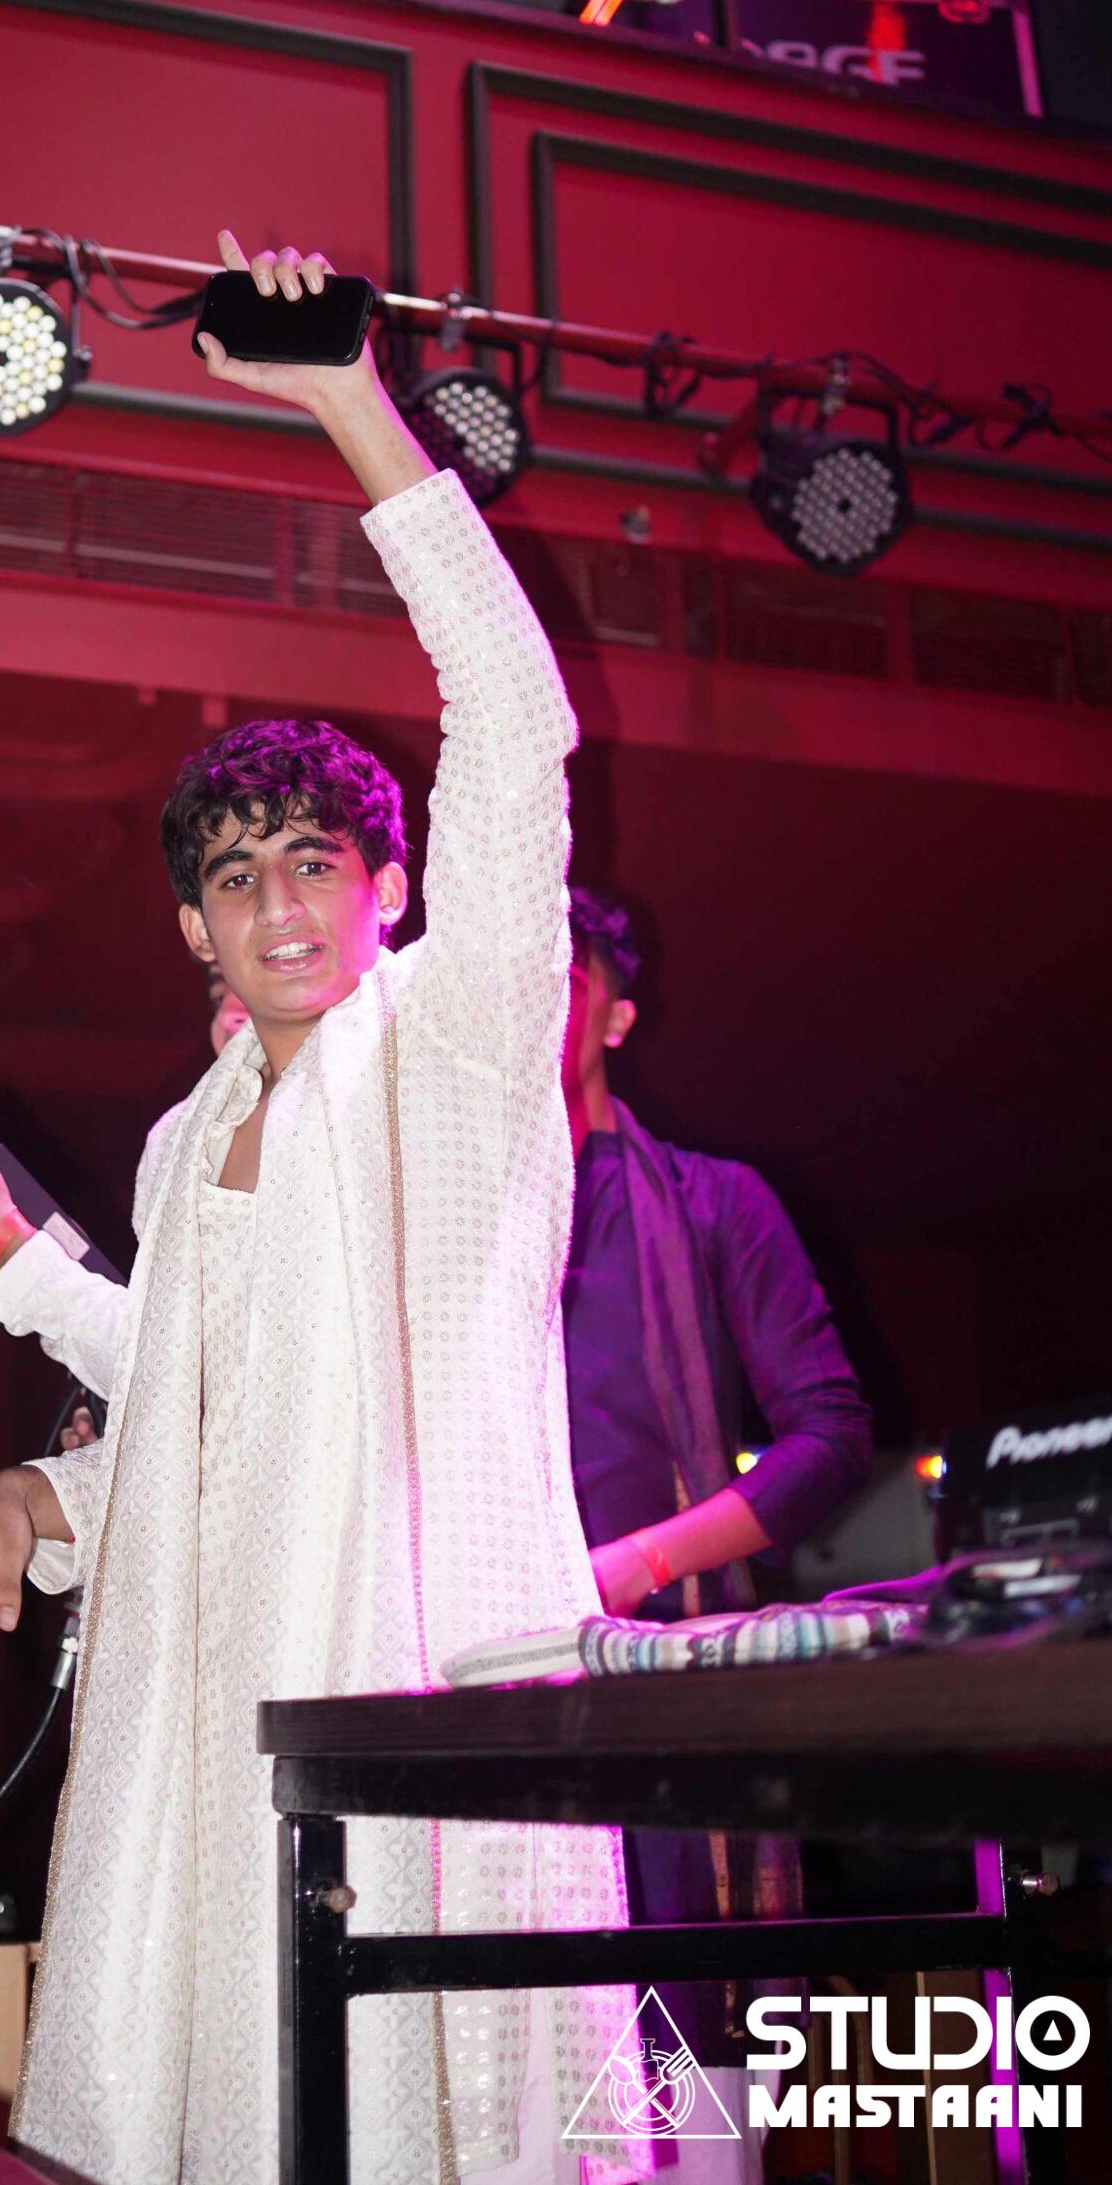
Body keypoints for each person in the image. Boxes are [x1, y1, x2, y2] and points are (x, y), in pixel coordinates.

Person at [0, 230, 640, 2185]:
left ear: (385, 888)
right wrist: (41, 1472)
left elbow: (512, 716)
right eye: (235, 875)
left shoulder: (456, 1041)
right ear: (191, 928)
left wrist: (343, 400)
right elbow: (214, 1405)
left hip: (410, 1730)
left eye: (313, 859)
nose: (279, 900)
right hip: (204, 1762)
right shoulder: (183, 1132)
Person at [560, 885, 874, 2178]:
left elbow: (828, 1433)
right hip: (482, 1695)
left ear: (614, 1016)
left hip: (663, 1706)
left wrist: (640, 1561)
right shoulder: (440, 1228)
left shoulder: (711, 1202)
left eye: (558, 978)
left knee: (692, 2112)